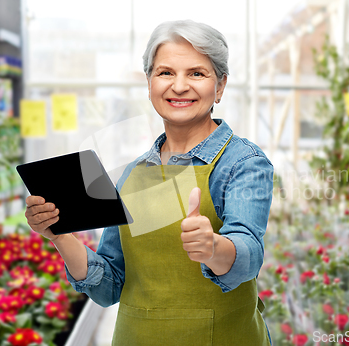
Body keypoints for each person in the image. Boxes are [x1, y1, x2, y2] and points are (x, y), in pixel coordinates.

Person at [25, 20, 274, 346]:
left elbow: (248, 255)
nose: (180, 86)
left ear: (221, 86)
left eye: (197, 73)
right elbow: (108, 286)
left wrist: (213, 248)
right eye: (165, 72)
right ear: (149, 82)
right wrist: (60, 236)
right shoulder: (132, 173)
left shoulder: (242, 163)